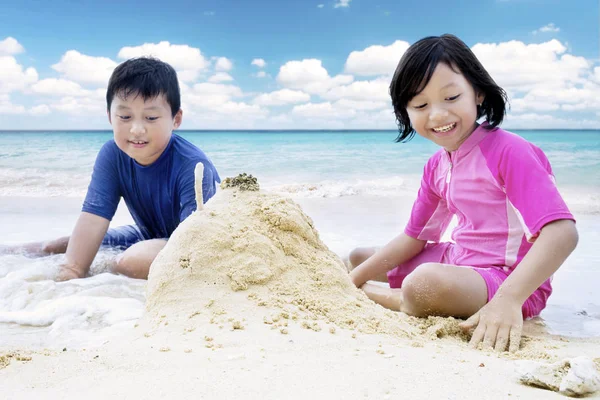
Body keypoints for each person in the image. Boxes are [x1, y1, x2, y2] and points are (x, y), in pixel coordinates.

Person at [347, 34, 578, 352]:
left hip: (509, 279)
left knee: (423, 284)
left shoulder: (510, 152)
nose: (438, 114)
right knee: (359, 257)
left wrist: (509, 299)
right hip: (460, 259)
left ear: (478, 92)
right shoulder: (435, 166)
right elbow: (414, 238)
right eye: (421, 104)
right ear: (406, 112)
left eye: (451, 97)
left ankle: (381, 297)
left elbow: (562, 233)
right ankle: (361, 287)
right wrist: (353, 276)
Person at [5, 57, 220, 281]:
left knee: (128, 262)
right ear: (110, 117)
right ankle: (7, 253)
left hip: (188, 242)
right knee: (63, 246)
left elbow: (198, 245)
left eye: (151, 117)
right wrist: (71, 274)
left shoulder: (193, 166)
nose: (136, 129)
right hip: (146, 235)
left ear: (176, 119)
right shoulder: (113, 154)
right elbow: (93, 218)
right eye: (125, 117)